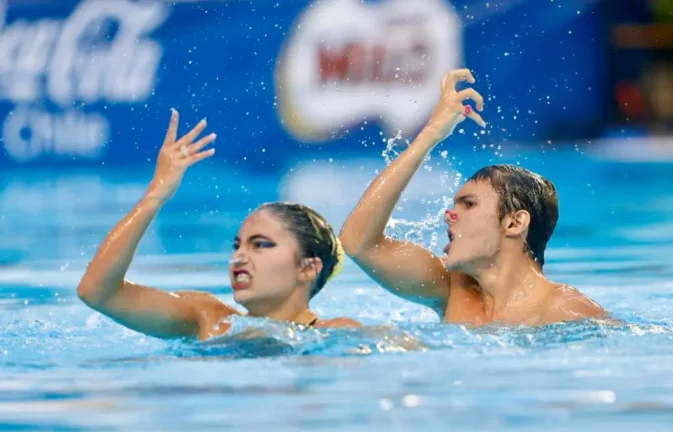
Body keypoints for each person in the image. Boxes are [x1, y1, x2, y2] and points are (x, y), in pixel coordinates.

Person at [339, 69, 607, 326]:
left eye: (469, 204)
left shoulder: (565, 311)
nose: (449, 214)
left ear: (514, 223)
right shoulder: (451, 288)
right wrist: (429, 135)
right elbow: (357, 243)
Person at [77, 110, 359, 341]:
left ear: (308, 267)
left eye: (260, 244)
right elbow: (98, 292)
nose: (238, 257)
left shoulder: (335, 334)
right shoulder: (206, 318)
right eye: (237, 246)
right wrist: (156, 194)